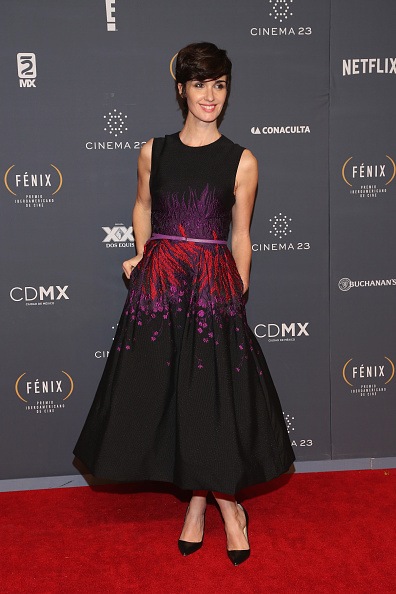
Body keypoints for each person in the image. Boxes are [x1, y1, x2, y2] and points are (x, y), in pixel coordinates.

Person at [73, 42, 295, 566]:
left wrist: (237, 287)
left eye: (219, 85)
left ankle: (226, 507)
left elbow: (241, 234)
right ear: (182, 89)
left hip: (212, 289)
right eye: (200, 85)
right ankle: (200, 504)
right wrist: (142, 253)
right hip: (162, 289)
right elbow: (143, 206)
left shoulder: (242, 160)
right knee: (171, 397)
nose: (210, 96)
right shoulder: (154, 151)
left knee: (210, 399)